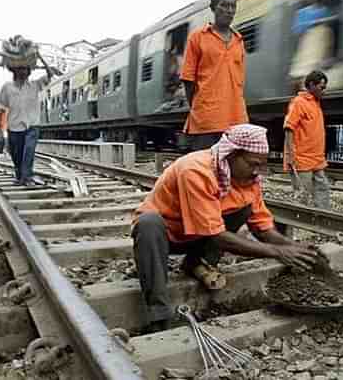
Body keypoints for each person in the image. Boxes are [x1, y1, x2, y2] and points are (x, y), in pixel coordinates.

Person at [132, 124, 319, 332]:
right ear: (232, 155)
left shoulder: (248, 177)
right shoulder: (196, 170)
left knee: (243, 209)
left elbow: (262, 228)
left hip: (198, 233)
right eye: (252, 164)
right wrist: (278, 252)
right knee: (148, 223)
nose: (257, 171)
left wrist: (296, 249)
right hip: (168, 235)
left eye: (261, 165)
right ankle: (159, 316)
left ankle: (196, 262)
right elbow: (218, 236)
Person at [180, 0, 249, 151]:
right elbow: (188, 81)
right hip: (206, 123)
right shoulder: (197, 38)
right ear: (213, 7)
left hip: (237, 121)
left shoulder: (239, 41)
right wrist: (201, 107)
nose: (229, 10)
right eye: (224, 5)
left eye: (233, 6)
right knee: (205, 173)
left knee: (232, 174)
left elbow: (239, 83)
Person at [0, 49, 56, 186]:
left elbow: (50, 74)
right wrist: (0, 130)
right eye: (21, 69)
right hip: (14, 127)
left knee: (28, 153)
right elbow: (1, 109)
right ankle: (20, 177)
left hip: (32, 126)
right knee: (16, 156)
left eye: (26, 69)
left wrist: (40, 56)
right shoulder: (7, 88)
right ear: (15, 71)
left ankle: (27, 177)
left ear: (29, 71)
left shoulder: (35, 85)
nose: (23, 72)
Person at [284, 70, 331, 209]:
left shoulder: (315, 103)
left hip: (317, 158)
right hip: (301, 158)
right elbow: (289, 128)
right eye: (321, 87)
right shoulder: (298, 102)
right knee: (303, 194)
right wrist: (291, 155)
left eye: (325, 88)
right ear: (311, 85)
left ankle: (324, 220)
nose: (324, 91)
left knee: (322, 188)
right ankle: (299, 225)